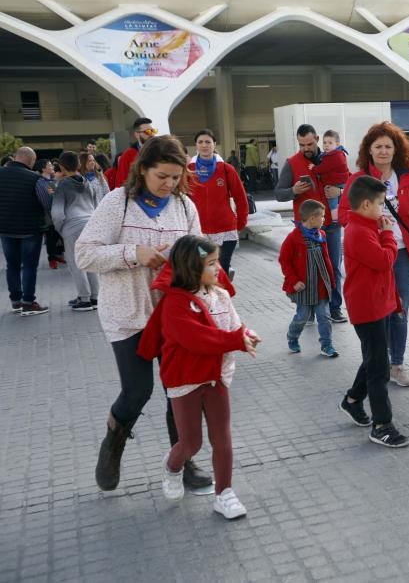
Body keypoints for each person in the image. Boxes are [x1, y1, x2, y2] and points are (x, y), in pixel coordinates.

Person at [76, 135, 214, 495]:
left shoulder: (184, 206)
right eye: (161, 177)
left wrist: (197, 266)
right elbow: (85, 255)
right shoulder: (117, 202)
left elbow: (199, 251)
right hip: (127, 314)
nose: (168, 184)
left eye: (174, 177)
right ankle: (113, 443)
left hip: (173, 316)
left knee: (180, 392)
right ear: (143, 170)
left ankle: (182, 460)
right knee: (138, 390)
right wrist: (134, 253)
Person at [138, 235, 260, 519]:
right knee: (191, 443)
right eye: (211, 264)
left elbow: (234, 326)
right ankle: (172, 466)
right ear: (191, 268)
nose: (218, 269)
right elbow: (197, 339)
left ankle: (225, 493)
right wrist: (236, 340)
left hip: (216, 377)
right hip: (185, 379)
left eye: (217, 262)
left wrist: (247, 335)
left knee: (223, 439)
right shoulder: (175, 304)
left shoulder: (221, 295)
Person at [338, 122, 409, 388]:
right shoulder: (357, 180)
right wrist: (368, 223)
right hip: (371, 254)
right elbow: (344, 214)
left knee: (400, 310)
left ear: (396, 149)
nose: (383, 151)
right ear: (369, 150)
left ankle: (397, 364)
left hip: (401, 253)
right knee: (377, 311)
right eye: (377, 146)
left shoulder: (408, 178)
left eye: (388, 146)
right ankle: (377, 360)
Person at [339, 175, 409, 448]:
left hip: (380, 304)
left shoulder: (367, 226)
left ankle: (353, 400)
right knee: (379, 367)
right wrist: (389, 234)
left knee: (375, 356)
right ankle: (382, 425)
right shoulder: (358, 231)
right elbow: (384, 261)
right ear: (366, 204)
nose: (384, 209)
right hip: (367, 308)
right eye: (381, 203)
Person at [274, 124, 347, 323]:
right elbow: (279, 193)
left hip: (330, 224)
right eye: (302, 144)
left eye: (310, 143)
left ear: (316, 138)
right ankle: (309, 310)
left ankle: (335, 308)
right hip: (305, 228)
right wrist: (294, 191)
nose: (306, 148)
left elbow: (348, 181)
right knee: (307, 269)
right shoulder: (292, 163)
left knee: (334, 266)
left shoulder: (332, 157)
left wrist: (339, 192)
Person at [279, 199, 338, 357]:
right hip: (304, 287)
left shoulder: (322, 235)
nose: (324, 219)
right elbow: (284, 260)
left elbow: (326, 261)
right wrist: (294, 280)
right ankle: (292, 338)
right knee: (302, 317)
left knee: (324, 317)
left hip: (320, 286)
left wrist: (331, 282)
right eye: (322, 216)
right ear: (312, 218)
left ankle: (327, 345)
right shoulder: (293, 238)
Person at [187, 129, 249, 278]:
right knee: (202, 270)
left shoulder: (226, 169)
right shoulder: (189, 170)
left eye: (208, 142)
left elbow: (241, 198)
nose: (204, 145)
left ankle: (223, 298)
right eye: (200, 142)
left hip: (225, 230)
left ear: (214, 145)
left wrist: (240, 223)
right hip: (198, 232)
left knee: (221, 269)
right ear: (196, 145)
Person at [0, 146, 50, 316]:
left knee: (12, 265)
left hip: (5, 229)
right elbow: (47, 202)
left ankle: (15, 301)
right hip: (30, 229)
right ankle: (28, 302)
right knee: (29, 266)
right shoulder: (35, 178)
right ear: (31, 160)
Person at [51, 151, 101, 312]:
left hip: (72, 227)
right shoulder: (88, 183)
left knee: (76, 264)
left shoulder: (62, 186)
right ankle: (95, 297)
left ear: (62, 167)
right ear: (79, 165)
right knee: (90, 261)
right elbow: (96, 206)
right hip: (90, 224)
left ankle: (84, 299)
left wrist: (61, 229)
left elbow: (57, 214)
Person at [34, 159, 66, 270]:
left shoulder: (55, 180)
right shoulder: (40, 183)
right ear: (43, 168)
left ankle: (58, 255)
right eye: (49, 165)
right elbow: (46, 201)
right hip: (49, 215)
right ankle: (52, 259)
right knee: (51, 236)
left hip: (60, 212)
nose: (52, 166)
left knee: (60, 235)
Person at [315, 129, 351, 223]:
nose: (326, 145)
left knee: (332, 201)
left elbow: (323, 168)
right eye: (325, 142)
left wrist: (314, 168)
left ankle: (335, 218)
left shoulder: (332, 156)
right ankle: (339, 216)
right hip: (340, 182)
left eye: (330, 143)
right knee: (340, 202)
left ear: (337, 144)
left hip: (335, 183)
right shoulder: (338, 154)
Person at [113, 117, 155, 189]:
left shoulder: (160, 151)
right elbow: (121, 182)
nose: (151, 135)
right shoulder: (128, 155)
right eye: (148, 132)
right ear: (137, 135)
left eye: (153, 131)